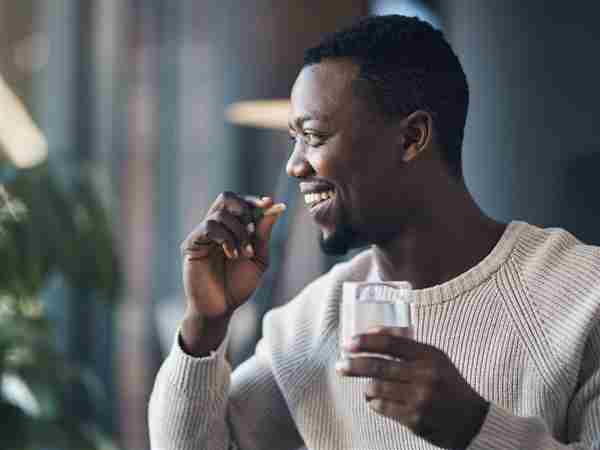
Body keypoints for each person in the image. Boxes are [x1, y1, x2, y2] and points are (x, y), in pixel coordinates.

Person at [148, 15, 600, 449]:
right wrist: (205, 325)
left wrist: (476, 429)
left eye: (315, 137)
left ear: (411, 138)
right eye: (294, 140)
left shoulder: (584, 297)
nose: (294, 165)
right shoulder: (308, 325)